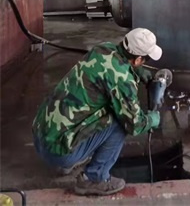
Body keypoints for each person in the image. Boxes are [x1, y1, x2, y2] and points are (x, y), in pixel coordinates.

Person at [32, 28, 162, 196]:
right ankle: (94, 178)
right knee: (120, 123)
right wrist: (152, 119)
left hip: (41, 136)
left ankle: (68, 161)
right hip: (57, 152)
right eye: (143, 60)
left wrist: (136, 71)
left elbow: (111, 69)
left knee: (100, 106)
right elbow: (135, 124)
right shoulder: (122, 80)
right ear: (138, 60)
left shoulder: (102, 49)